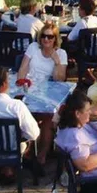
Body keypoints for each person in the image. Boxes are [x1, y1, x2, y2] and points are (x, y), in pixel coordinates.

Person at [16, 21, 68, 171]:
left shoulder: (61, 54)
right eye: (43, 36)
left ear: (55, 39)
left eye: (50, 37)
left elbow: (60, 79)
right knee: (22, 113)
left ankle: (41, 158)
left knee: (48, 118)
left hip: (48, 90)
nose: (46, 40)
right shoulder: (33, 48)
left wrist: (56, 61)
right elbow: (23, 68)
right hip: (29, 87)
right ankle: (26, 151)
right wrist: (22, 82)